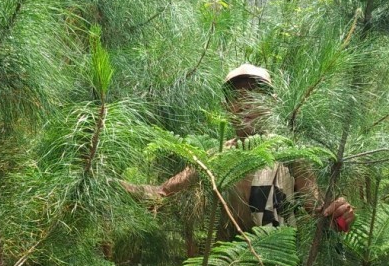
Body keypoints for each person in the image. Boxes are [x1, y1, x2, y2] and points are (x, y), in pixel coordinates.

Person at [123, 64, 355, 236]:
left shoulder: (290, 154)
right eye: (236, 95)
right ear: (226, 106)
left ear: (272, 102)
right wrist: (114, 185)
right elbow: (162, 193)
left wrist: (339, 214)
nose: (246, 101)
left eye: (257, 92)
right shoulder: (215, 158)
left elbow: (317, 210)